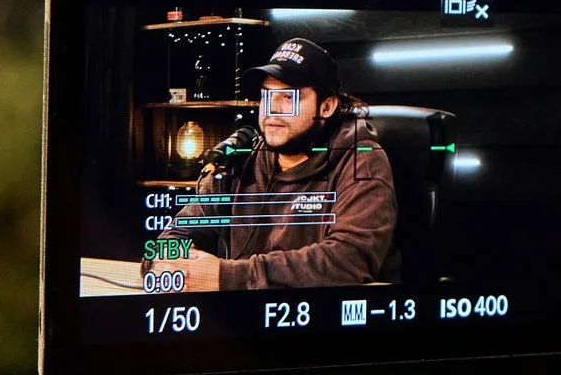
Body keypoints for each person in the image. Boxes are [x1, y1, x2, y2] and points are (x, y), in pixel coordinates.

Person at [155, 36, 398, 290]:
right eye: (266, 96)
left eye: (288, 98)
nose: (272, 110)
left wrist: (226, 276)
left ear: (326, 107)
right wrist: (168, 264)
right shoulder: (241, 159)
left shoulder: (361, 161)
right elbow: (173, 237)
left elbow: (348, 259)